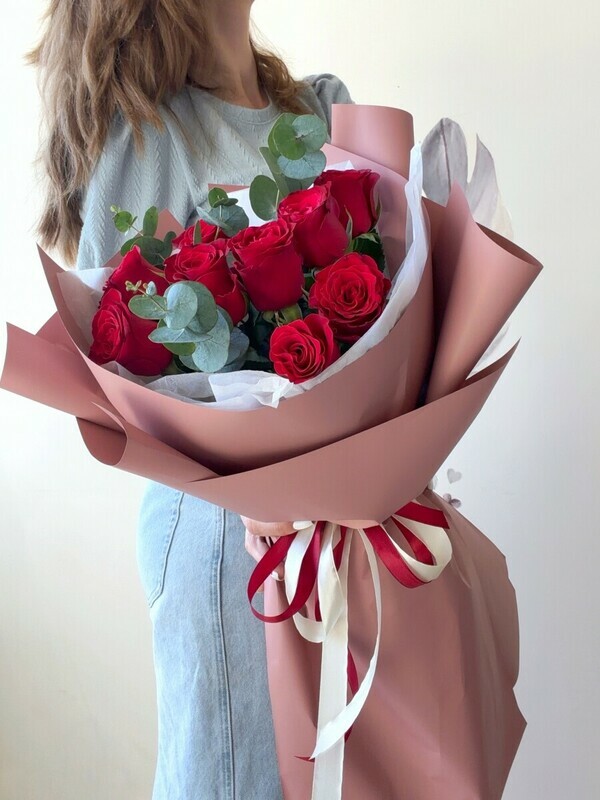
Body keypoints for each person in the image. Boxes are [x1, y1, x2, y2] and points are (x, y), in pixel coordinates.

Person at [28, 1, 352, 797]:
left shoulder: (320, 108)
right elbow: (125, 372)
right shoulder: (151, 137)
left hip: (339, 521)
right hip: (226, 535)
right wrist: (257, 488)